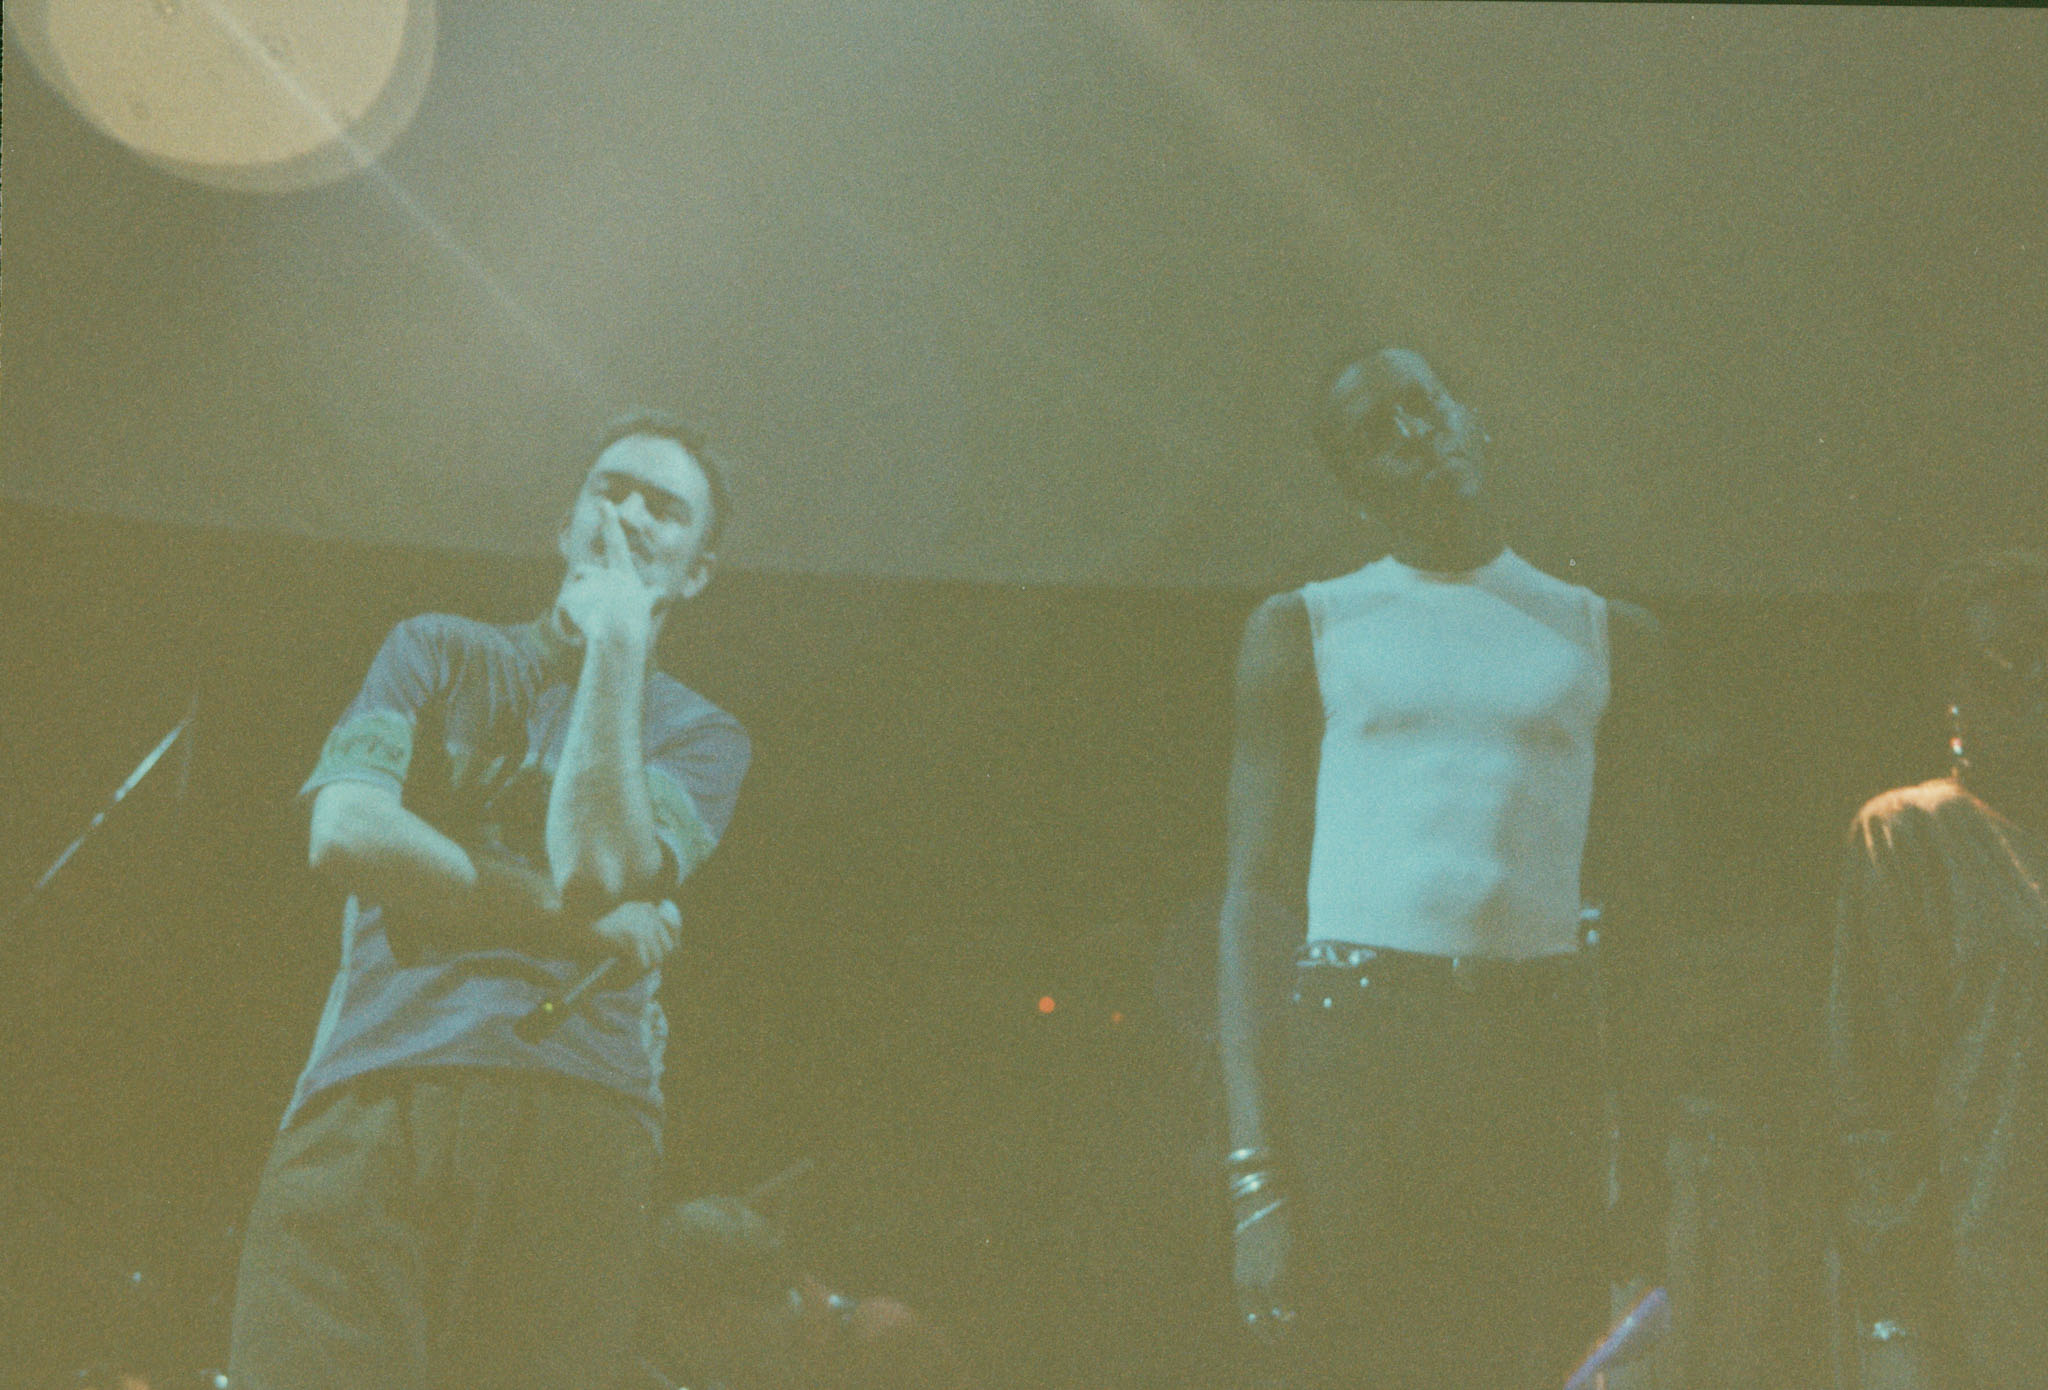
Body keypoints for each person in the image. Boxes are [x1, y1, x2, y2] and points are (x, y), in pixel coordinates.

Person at [226, 411, 752, 1390]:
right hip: (377, 1089)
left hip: (580, 1116)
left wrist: (617, 645)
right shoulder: (435, 648)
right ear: (565, 524)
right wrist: (578, 923)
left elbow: (598, 863)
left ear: (697, 572)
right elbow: (346, 830)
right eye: (610, 488)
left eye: (665, 508)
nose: (630, 514)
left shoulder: (703, 735)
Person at [1215, 349, 1673, 1388]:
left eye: (1422, 405)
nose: (1414, 436)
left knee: (1536, 1360)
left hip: (1534, 1049)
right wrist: (1254, 1179)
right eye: (1375, 433)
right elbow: (1248, 905)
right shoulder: (1303, 628)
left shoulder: (1607, 636)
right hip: (1358, 1050)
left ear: (1472, 416)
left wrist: (1643, 1167)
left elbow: (1645, 920)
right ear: (1355, 487)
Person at [1829, 549, 2048, 1390]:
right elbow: (1872, 1091)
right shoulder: (1914, 833)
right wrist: (1895, 1313)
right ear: (1957, 688)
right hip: (1991, 1285)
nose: (2038, 682)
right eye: (2010, 661)